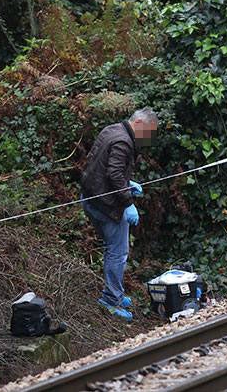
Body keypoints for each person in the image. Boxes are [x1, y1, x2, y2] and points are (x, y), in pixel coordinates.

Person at [80, 108, 158, 321]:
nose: (147, 138)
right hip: (106, 205)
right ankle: (110, 300)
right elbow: (113, 173)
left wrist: (127, 183)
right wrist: (127, 203)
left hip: (90, 197)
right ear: (140, 123)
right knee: (118, 252)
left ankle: (114, 292)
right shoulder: (124, 142)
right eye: (148, 132)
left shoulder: (112, 130)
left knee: (111, 248)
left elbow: (99, 163)